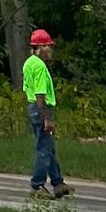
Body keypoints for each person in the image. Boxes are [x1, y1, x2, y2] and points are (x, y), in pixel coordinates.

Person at [24, 28, 71, 197]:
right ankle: (37, 186)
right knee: (43, 150)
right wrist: (47, 119)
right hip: (41, 108)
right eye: (48, 46)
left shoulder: (28, 63)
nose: (51, 50)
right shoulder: (40, 67)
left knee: (49, 148)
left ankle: (58, 183)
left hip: (33, 107)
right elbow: (40, 95)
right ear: (41, 47)